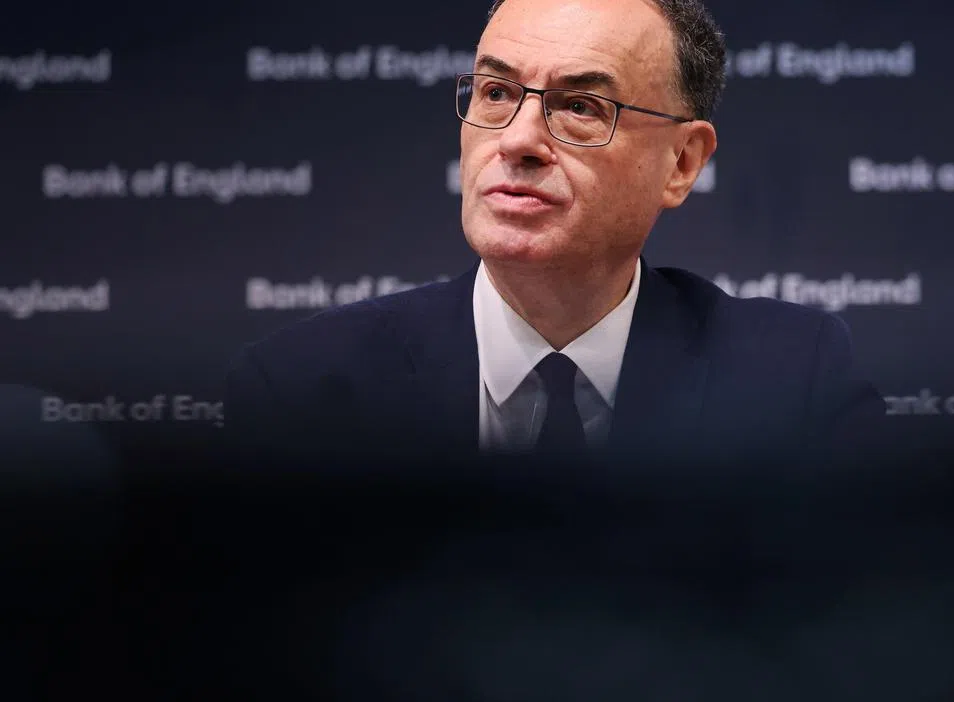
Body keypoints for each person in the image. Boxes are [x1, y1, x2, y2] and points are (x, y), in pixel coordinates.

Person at [223, 0, 887, 474]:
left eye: (580, 106)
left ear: (681, 164)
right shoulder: (301, 393)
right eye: (494, 92)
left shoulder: (794, 385)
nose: (516, 141)